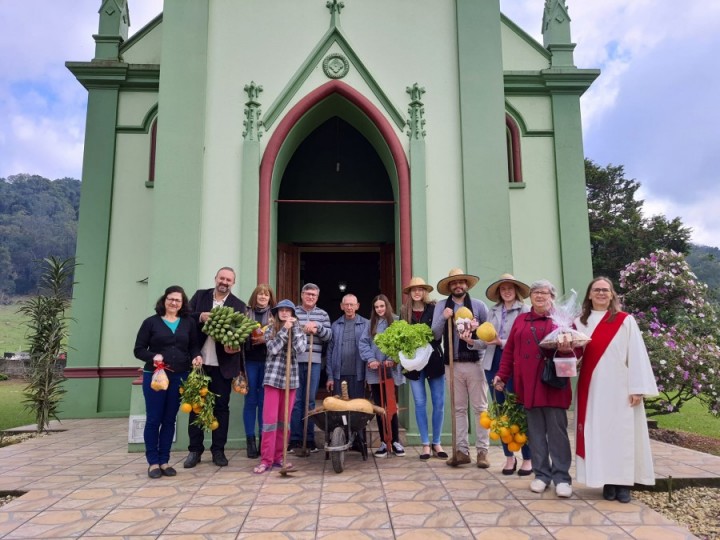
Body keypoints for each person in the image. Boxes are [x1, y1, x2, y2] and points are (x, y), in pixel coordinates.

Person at [574, 277, 658, 503]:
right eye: (596, 290)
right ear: (589, 294)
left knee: (621, 434)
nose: (601, 293)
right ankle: (607, 481)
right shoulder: (579, 323)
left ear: (612, 295)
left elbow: (636, 354)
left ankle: (623, 483)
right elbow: (574, 357)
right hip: (592, 388)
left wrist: (637, 388)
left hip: (621, 387)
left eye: (605, 290)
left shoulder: (624, 320)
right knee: (599, 434)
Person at [493, 279, 575, 498]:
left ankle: (562, 478)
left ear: (552, 296)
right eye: (535, 292)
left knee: (557, 433)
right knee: (535, 433)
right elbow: (509, 351)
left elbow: (577, 351)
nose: (539, 296)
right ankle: (541, 475)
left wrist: (565, 349)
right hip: (528, 384)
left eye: (544, 292)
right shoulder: (521, 320)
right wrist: (502, 375)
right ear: (530, 297)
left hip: (553, 384)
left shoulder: (562, 319)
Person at [134, 286, 203, 478]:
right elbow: (138, 349)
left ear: (183, 303)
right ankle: (153, 462)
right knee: (154, 418)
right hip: (155, 376)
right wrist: (153, 356)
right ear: (164, 300)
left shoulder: (188, 322)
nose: (174, 303)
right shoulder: (151, 322)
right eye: (171, 299)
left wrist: (197, 356)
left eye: (178, 300)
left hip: (179, 376)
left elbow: (193, 345)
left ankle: (164, 461)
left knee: (169, 419)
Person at [184, 267, 247, 468]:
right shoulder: (200, 296)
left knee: (221, 408)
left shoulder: (238, 305)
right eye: (222, 278)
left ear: (233, 283)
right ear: (216, 278)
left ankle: (218, 450)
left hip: (222, 366)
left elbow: (241, 336)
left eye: (229, 280)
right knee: (196, 407)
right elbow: (185, 317)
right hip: (199, 363)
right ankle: (195, 450)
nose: (224, 282)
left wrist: (234, 347)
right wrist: (200, 317)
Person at [431, 268, 490, 468]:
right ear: (450, 286)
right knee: (458, 409)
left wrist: (476, 329)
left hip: (476, 363)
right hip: (452, 364)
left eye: (461, 282)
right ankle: (462, 451)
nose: (458, 285)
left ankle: (482, 452)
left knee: (480, 408)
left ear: (466, 284)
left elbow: (489, 337)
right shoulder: (442, 306)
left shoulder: (479, 306)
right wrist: (443, 317)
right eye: (454, 283)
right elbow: (434, 335)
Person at [481, 274, 532, 475]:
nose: (507, 292)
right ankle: (509, 457)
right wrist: (470, 341)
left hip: (515, 363)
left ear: (516, 290)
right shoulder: (492, 311)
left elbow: (524, 339)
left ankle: (528, 458)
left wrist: (500, 342)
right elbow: (485, 340)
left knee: (518, 410)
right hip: (493, 363)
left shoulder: (525, 310)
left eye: (510, 288)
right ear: (499, 293)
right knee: (501, 412)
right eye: (503, 289)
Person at [254, 299, 307, 474]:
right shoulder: (270, 329)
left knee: (285, 421)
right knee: (270, 421)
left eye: (288, 310)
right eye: (281, 310)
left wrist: (294, 330)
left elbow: (300, 349)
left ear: (292, 314)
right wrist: (284, 330)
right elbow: (273, 349)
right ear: (277, 313)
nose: (284, 313)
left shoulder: (298, 330)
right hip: (273, 379)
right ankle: (266, 460)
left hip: (290, 380)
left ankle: (279, 457)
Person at [400, 277, 447, 460]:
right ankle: (425, 444)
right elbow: (401, 336)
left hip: (434, 359)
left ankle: (437, 442)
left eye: (420, 289)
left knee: (439, 403)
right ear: (410, 293)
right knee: (420, 403)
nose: (417, 292)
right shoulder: (404, 311)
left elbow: (438, 335)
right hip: (414, 364)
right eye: (414, 289)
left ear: (425, 292)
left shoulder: (435, 309)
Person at [288, 283, 332, 454]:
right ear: (302, 295)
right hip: (295, 361)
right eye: (307, 294)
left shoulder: (323, 314)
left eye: (313, 295)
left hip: (314, 361)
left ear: (317, 297)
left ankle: (310, 439)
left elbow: (329, 336)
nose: (310, 297)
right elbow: (286, 331)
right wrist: (302, 328)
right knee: (296, 400)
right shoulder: (293, 312)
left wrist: (318, 327)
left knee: (310, 400)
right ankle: (295, 439)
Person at [360, 294, 406, 457]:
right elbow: (363, 343)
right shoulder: (370, 324)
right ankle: (383, 442)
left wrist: (392, 359)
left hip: (390, 371)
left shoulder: (396, 321)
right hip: (375, 371)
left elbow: (401, 343)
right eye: (376, 307)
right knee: (380, 407)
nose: (379, 309)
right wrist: (371, 359)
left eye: (382, 306)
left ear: (387, 306)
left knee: (391, 406)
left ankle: (395, 441)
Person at [243, 284, 276, 459]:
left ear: (270, 298)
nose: (263, 297)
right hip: (249, 360)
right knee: (250, 401)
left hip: (268, 362)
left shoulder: (275, 315)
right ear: (255, 296)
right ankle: (250, 441)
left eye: (266, 295)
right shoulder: (245, 313)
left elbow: (280, 336)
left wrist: (266, 339)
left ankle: (264, 440)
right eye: (260, 294)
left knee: (264, 401)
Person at [326, 293, 370, 399]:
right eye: (346, 305)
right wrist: (330, 377)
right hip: (338, 376)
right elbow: (329, 352)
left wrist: (369, 377)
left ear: (357, 306)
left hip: (359, 375)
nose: (349, 307)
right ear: (342, 306)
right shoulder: (335, 325)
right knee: (339, 406)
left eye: (352, 304)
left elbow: (371, 349)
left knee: (357, 406)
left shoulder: (366, 324)